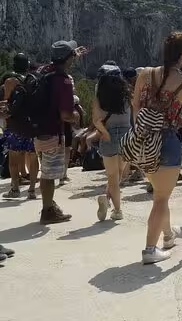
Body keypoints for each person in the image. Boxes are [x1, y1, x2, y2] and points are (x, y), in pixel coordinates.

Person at [133, 32, 182, 264]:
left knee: (160, 194)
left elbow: (135, 105)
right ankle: (149, 249)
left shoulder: (145, 74)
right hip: (168, 144)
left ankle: (168, 235)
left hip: (143, 142)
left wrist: (143, 130)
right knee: (161, 199)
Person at [33, 41, 85, 224]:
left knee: (45, 169)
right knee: (48, 174)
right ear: (68, 58)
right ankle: (47, 211)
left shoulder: (44, 71)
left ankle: (49, 204)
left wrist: (74, 54)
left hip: (38, 130)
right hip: (53, 132)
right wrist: (76, 115)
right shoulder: (64, 80)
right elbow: (65, 114)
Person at [93, 70, 132, 221]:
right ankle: (110, 203)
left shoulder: (99, 98)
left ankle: (116, 208)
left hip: (108, 136)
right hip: (126, 136)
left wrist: (105, 133)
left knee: (112, 176)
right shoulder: (127, 96)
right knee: (120, 174)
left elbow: (96, 120)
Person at [1, 53, 39, 200]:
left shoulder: (10, 81)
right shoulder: (33, 79)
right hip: (31, 124)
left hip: (15, 125)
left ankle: (15, 188)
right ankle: (31, 190)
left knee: (14, 158)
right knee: (33, 156)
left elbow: (6, 104)